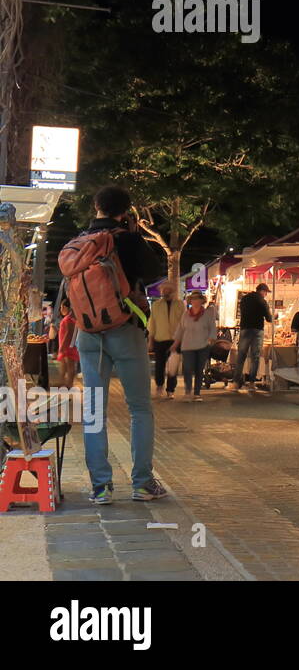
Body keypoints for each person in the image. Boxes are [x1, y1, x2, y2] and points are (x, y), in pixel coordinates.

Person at [74, 185, 167, 504]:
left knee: (94, 411)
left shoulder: (79, 240)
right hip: (125, 328)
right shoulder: (126, 239)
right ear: (125, 211)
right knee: (139, 407)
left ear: (95, 206)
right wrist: (133, 234)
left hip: (87, 332)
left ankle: (101, 486)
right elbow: (155, 272)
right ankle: (142, 483)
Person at [171, 291, 217, 402]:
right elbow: (180, 329)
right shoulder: (186, 314)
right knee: (187, 369)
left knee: (199, 370)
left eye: (198, 299)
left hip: (203, 345)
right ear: (190, 301)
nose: (195, 301)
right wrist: (175, 343)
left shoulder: (208, 314)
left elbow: (212, 327)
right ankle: (187, 392)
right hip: (187, 346)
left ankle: (197, 393)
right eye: (193, 299)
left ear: (202, 301)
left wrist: (211, 339)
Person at [233, 283, 273, 393]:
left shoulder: (245, 299)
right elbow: (269, 318)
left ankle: (236, 383)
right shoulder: (262, 301)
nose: (265, 295)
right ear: (263, 291)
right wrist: (274, 317)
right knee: (255, 357)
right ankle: (251, 383)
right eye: (265, 293)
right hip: (257, 330)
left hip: (245, 328)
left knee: (241, 356)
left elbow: (242, 313)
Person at [147, 280, 183, 399]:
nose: (165, 293)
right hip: (160, 339)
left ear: (173, 291)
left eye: (168, 291)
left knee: (173, 367)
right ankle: (159, 386)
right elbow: (152, 324)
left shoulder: (180, 304)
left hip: (175, 340)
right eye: (163, 291)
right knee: (159, 365)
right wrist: (150, 341)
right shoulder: (156, 305)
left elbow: (183, 324)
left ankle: (171, 389)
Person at [55, 297, 79, 387]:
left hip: (68, 347)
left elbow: (69, 333)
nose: (60, 310)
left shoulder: (68, 319)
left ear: (66, 307)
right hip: (68, 346)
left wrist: (62, 347)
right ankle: (63, 383)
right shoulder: (69, 318)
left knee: (70, 367)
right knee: (65, 366)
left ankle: (69, 384)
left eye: (61, 307)